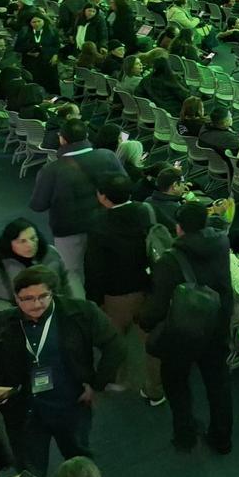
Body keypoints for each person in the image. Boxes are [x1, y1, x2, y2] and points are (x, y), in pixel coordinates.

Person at [0, 265, 124, 477]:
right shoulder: (2, 322)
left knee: (80, 464)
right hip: (24, 414)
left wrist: (97, 382)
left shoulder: (80, 312)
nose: (36, 304)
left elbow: (114, 345)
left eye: (42, 296)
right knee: (30, 475)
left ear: (52, 293)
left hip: (71, 405)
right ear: (16, 299)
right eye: (27, 298)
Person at [139, 202, 234, 455]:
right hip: (216, 326)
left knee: (177, 384)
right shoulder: (222, 243)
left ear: (178, 228)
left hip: (183, 334)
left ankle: (185, 435)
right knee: (218, 384)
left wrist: (144, 320)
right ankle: (222, 439)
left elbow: (156, 309)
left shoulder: (169, 261)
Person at [84, 174, 164, 405]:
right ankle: (155, 389)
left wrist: (94, 298)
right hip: (149, 288)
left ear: (102, 197)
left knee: (114, 339)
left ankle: (119, 379)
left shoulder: (98, 224)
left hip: (117, 294)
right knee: (151, 342)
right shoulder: (145, 210)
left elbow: (94, 268)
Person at [30, 119, 125, 300]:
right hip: (105, 224)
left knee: (72, 273)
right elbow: (123, 185)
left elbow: (38, 205)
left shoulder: (51, 170)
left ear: (62, 139)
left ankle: (82, 312)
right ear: (87, 135)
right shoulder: (107, 156)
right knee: (103, 266)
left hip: (68, 229)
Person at [0, 218, 70, 328]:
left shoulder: (50, 255)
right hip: (11, 326)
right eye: (22, 241)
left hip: (51, 320)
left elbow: (66, 282)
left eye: (33, 238)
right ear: (9, 243)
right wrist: (12, 311)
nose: (30, 245)